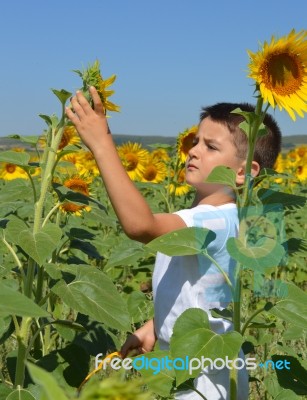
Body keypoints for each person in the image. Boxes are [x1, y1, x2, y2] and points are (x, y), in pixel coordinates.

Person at [66, 87, 281, 400]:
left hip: (204, 383)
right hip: (191, 369)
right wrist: (156, 326)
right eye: (195, 142)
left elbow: (140, 226)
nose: (193, 151)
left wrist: (101, 143)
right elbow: (201, 293)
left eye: (210, 146)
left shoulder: (218, 220)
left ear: (243, 172)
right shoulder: (202, 217)